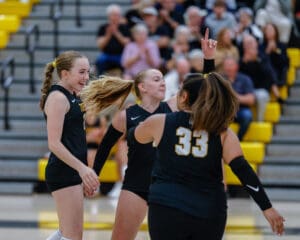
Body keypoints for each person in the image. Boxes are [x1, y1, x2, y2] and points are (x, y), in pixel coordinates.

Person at [83, 28, 217, 240]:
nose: (163, 82)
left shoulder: (172, 107)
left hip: (168, 188)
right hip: (135, 185)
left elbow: (204, 88)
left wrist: (208, 60)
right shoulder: (126, 116)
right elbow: (105, 146)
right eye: (156, 79)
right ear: (142, 87)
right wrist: (94, 175)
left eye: (163, 79)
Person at [129, 72, 285, 240]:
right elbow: (243, 171)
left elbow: (133, 136)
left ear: (183, 97)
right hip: (209, 210)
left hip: (167, 207)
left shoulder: (160, 122)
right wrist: (266, 207)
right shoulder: (223, 131)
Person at [40, 51, 134, 240]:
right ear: (65, 73)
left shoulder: (74, 95)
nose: (86, 77)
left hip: (71, 170)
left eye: (88, 72)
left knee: (65, 233)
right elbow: (54, 144)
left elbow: (102, 96)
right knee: (73, 236)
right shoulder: (58, 98)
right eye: (81, 72)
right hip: (63, 170)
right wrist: (83, 169)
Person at [222, 56, 255, 140]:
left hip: (240, 110)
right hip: (224, 111)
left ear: (236, 66)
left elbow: (251, 99)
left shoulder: (245, 79)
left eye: (230, 65)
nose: (228, 67)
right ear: (223, 67)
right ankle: (220, 142)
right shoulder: (219, 79)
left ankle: (238, 140)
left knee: (247, 115)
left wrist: (234, 97)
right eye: (226, 65)